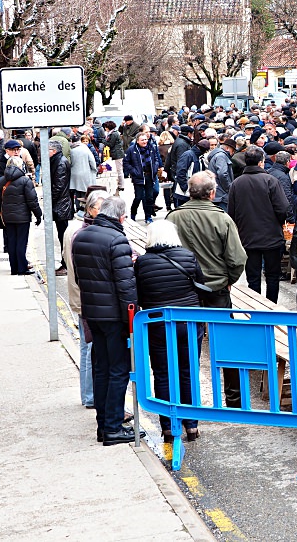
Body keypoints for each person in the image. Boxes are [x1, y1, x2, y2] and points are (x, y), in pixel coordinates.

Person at [167, 172, 247, 407]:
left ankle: (188, 401)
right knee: (226, 343)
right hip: (216, 288)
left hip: (183, 290)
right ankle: (234, 400)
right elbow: (237, 258)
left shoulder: (173, 218)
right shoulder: (222, 219)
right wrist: (227, 280)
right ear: (212, 193)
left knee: (186, 345)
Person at [71, 196, 140, 446]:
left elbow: (79, 278)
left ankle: (103, 425)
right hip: (113, 316)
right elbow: (126, 288)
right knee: (118, 370)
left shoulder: (82, 236)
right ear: (120, 217)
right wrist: (130, 321)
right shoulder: (117, 240)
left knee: (100, 368)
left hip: (93, 313)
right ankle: (113, 427)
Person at [135, 220, 206, 443]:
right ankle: (192, 426)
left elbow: (139, 294)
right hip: (188, 323)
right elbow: (200, 286)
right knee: (188, 371)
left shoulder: (142, 263)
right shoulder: (188, 256)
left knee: (163, 374)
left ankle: (168, 427)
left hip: (157, 325)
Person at [63, 190, 108, 410]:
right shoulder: (83, 233)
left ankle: (89, 394)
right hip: (86, 299)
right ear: (90, 209)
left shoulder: (79, 230)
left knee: (87, 346)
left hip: (84, 297)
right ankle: (90, 395)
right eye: (101, 208)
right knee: (90, 347)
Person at [227, 146, 290, 302]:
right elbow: (283, 208)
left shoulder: (237, 183)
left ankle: (256, 310)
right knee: (272, 276)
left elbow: (231, 213)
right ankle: (272, 309)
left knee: (253, 278)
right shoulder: (271, 181)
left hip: (247, 238)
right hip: (272, 237)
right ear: (261, 162)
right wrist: (278, 222)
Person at [0, 157, 43, 276]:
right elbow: (32, 200)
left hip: (7, 217)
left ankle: (13, 268)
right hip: (22, 217)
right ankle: (22, 268)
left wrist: (1, 213)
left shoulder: (1, 181)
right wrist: (38, 215)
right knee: (21, 242)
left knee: (11, 242)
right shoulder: (25, 181)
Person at [48, 140, 75, 255]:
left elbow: (58, 186)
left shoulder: (60, 163)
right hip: (60, 203)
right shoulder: (56, 161)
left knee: (63, 236)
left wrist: (49, 202)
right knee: (61, 235)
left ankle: (65, 263)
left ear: (54, 151)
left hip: (61, 205)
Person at [207, 134, 236, 210]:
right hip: (221, 196)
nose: (233, 153)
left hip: (217, 194)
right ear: (227, 148)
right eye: (233, 151)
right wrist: (229, 188)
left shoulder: (217, 155)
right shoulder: (221, 156)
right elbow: (222, 174)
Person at [70, 134, 98, 209]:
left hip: (74, 174)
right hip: (85, 173)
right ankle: (84, 208)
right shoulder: (85, 149)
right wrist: (94, 170)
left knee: (77, 192)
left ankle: (78, 207)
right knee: (85, 192)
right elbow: (92, 161)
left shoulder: (71, 150)